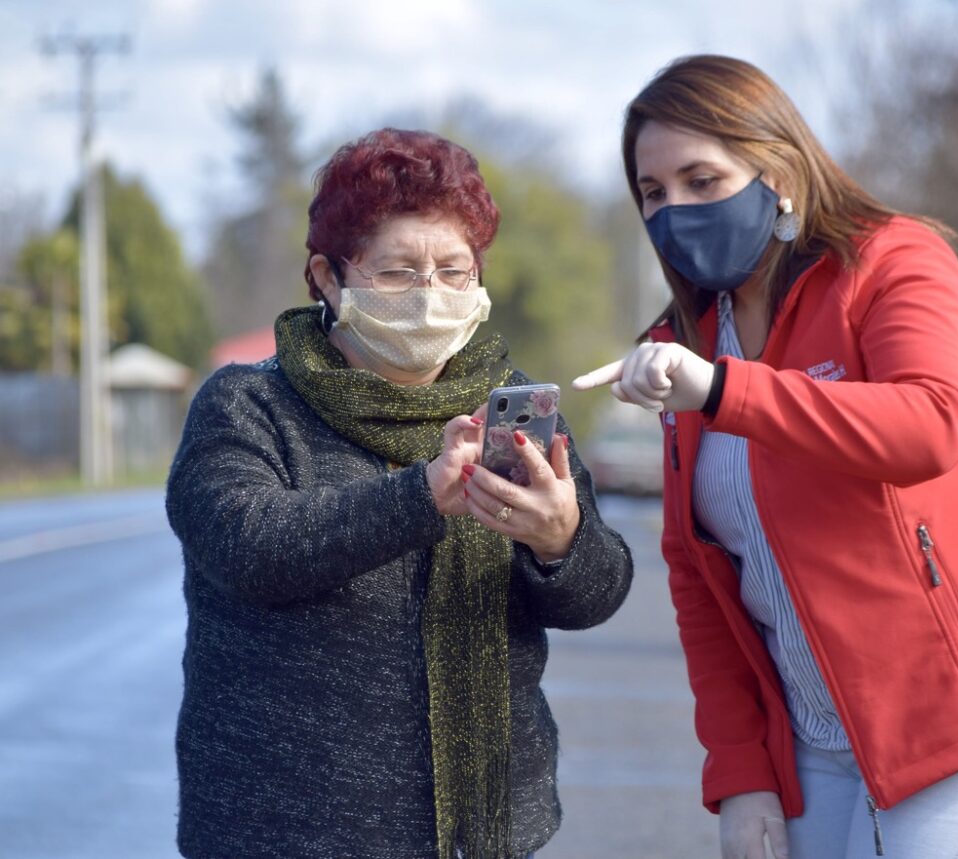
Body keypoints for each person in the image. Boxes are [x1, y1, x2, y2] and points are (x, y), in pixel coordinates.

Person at [574, 55, 958, 859]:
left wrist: (727, 389)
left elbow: (930, 425)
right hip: (817, 745)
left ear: (780, 169)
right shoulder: (680, 344)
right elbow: (699, 578)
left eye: (702, 178)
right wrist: (743, 772)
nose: (675, 210)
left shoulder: (896, 261)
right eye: (654, 193)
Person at [166, 128, 633, 859]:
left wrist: (560, 541)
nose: (431, 296)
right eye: (397, 272)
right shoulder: (248, 405)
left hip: (484, 834)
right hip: (281, 833)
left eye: (455, 270)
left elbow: (597, 590)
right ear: (327, 276)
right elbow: (249, 546)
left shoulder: (510, 408)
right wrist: (419, 496)